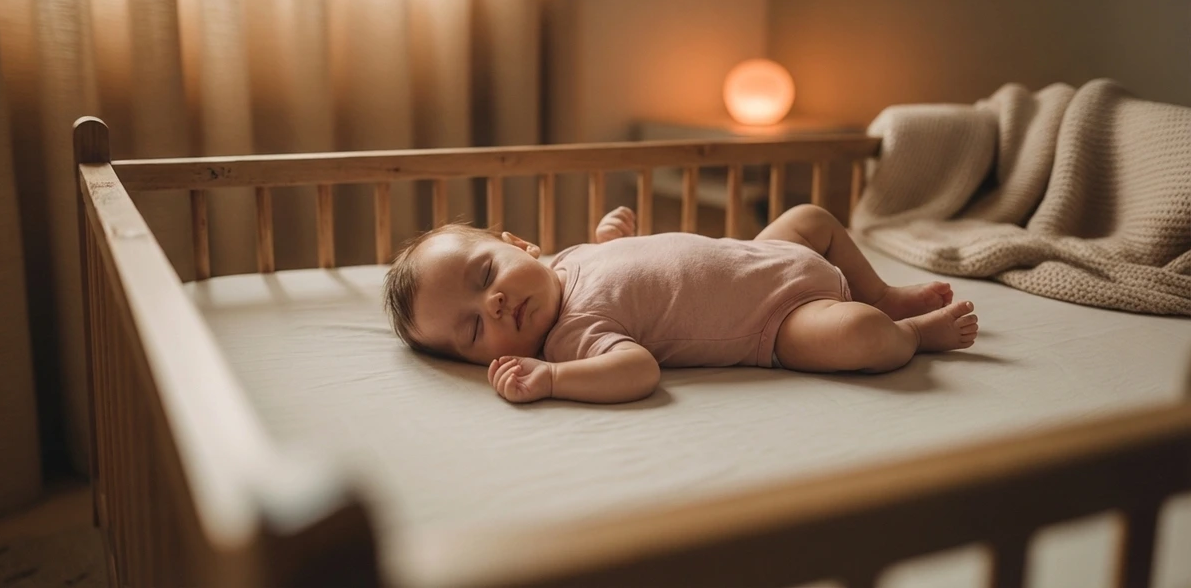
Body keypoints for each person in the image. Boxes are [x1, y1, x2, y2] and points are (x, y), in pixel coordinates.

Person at [383, 204, 977, 404]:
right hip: (776, 322)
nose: (493, 304)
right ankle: (914, 333)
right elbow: (638, 370)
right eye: (471, 331)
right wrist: (555, 378)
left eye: (487, 272)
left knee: (813, 220)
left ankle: (883, 292)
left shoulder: (564, 261)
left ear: (519, 246)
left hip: (762, 253)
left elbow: (631, 266)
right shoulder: (573, 336)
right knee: (864, 335)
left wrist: (613, 237)